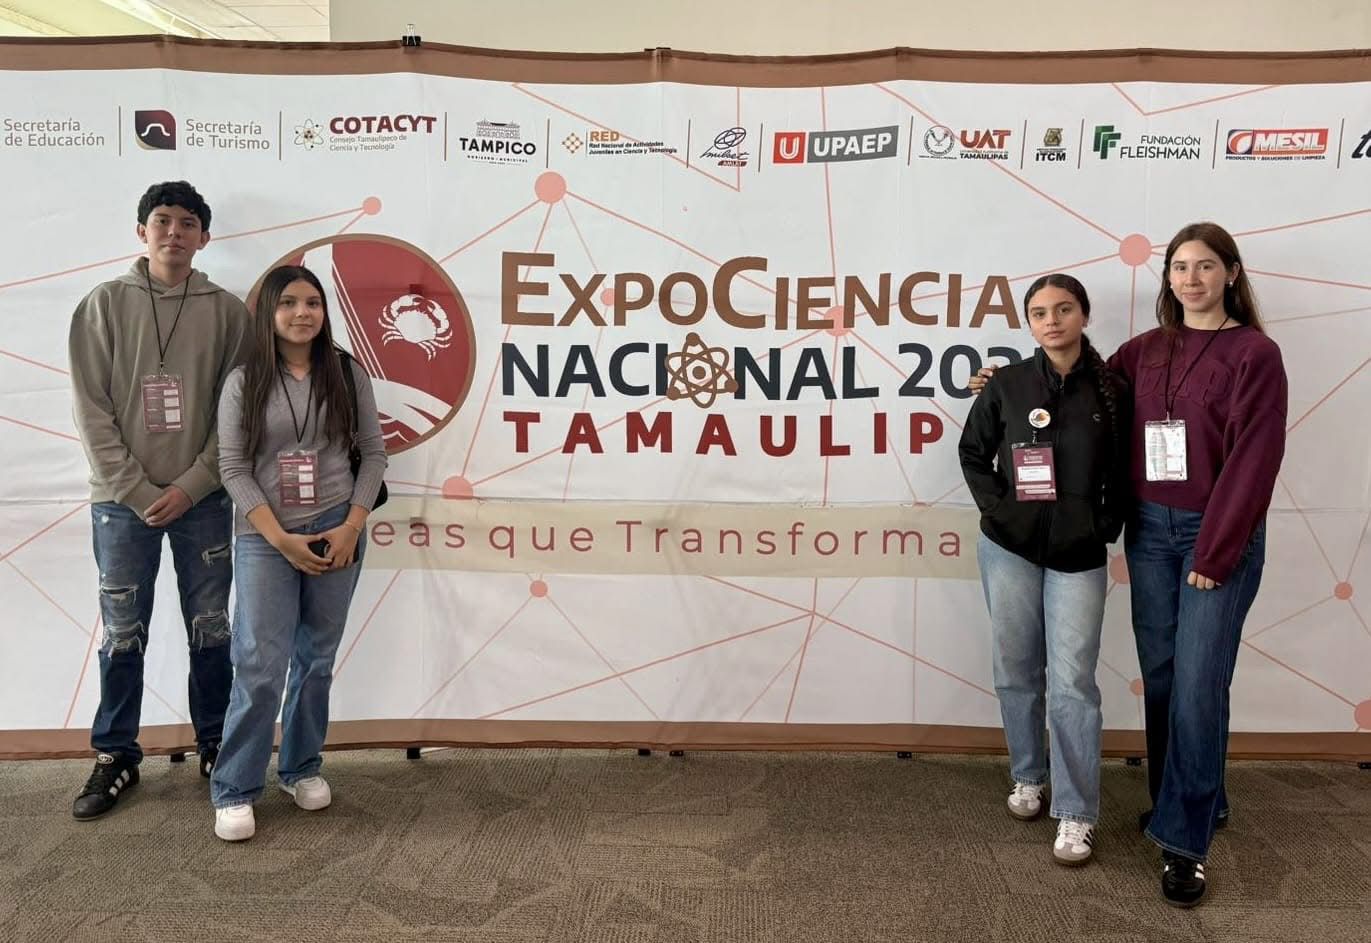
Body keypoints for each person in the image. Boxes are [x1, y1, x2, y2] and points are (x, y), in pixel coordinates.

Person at [969, 222, 1286, 906]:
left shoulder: (1255, 354)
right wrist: (1007, 383)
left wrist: (1217, 548)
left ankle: (1182, 844)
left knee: (1199, 683)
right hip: (1149, 534)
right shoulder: (1144, 351)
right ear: (1166, 278)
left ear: (1231, 273)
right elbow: (1074, 385)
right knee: (1166, 678)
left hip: (1214, 534)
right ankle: (1198, 798)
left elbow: (1255, 459)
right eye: (1179, 267)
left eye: (1205, 266)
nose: (1190, 278)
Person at [68, 181, 249, 820]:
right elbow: (90, 409)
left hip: (204, 500)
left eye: (188, 222)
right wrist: (139, 491)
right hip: (121, 504)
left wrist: (190, 485)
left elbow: (236, 413)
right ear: (141, 230)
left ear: (205, 236)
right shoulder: (103, 304)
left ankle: (216, 743)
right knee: (122, 632)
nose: (174, 232)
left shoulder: (229, 313)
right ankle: (115, 753)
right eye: (163, 220)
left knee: (211, 626)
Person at [209, 264, 386, 842]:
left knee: (315, 660)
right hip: (266, 538)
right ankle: (235, 788)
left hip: (338, 530)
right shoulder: (244, 381)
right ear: (269, 312)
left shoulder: (347, 372)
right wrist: (279, 538)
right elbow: (233, 468)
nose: (301, 313)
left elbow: (374, 455)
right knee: (259, 665)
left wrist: (352, 525)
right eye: (288, 303)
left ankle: (301, 767)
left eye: (312, 302)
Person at [959, 274, 1130, 867]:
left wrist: (1102, 524)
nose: (1051, 321)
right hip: (1009, 548)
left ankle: (1077, 811)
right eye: (1038, 312)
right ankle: (1029, 776)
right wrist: (1001, 509)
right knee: (1016, 669)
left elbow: (1126, 471)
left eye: (1063, 309)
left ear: (1084, 314)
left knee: (1073, 682)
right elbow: (973, 452)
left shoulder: (1113, 389)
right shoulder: (1006, 384)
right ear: (1028, 322)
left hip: (1078, 556)